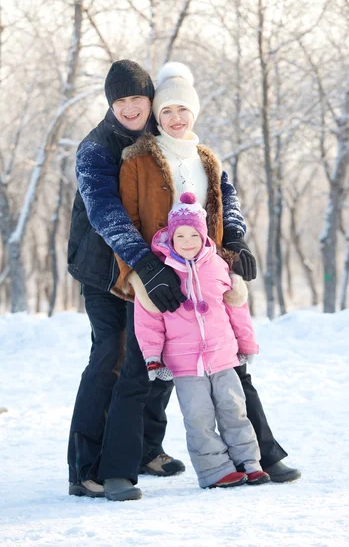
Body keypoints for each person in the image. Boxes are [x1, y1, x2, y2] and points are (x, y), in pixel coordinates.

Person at [66, 60, 265, 501]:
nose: (132, 107)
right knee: (112, 358)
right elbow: (107, 215)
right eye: (122, 101)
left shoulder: (160, 138)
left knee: (162, 353)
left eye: (139, 99)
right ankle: (82, 469)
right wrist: (144, 265)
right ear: (111, 105)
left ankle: (146, 451)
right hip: (104, 270)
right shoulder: (96, 147)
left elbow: (217, 188)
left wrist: (232, 239)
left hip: (154, 267)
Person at [116, 62, 301, 495]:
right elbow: (125, 219)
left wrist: (236, 248)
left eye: (183, 110)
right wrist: (143, 271)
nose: (176, 119)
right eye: (167, 112)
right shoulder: (140, 158)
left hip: (208, 273)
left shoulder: (208, 159)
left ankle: (258, 457)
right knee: (158, 375)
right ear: (155, 117)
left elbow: (226, 208)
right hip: (158, 275)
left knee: (232, 380)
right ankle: (129, 462)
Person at [134, 192, 271, 489]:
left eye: (193, 235)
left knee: (234, 410)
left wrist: (246, 344)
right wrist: (152, 356)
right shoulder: (161, 273)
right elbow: (148, 320)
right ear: (170, 237)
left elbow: (237, 309)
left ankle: (249, 462)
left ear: (203, 234)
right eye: (179, 235)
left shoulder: (219, 266)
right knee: (199, 418)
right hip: (184, 363)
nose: (186, 242)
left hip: (223, 356)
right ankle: (214, 471)